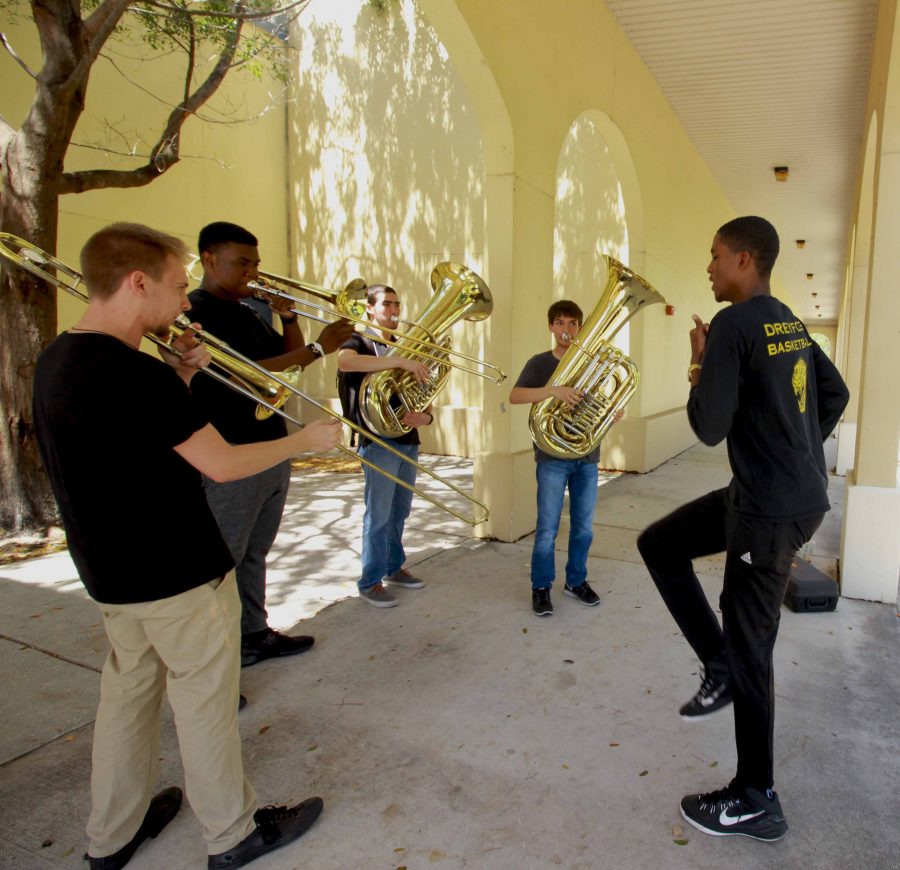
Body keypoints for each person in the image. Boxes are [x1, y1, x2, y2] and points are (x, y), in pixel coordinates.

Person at [32, 223, 342, 869]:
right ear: (137, 282)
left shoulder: (60, 357)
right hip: (177, 574)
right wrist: (304, 441)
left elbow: (128, 443)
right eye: (176, 288)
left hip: (113, 577)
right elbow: (222, 464)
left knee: (127, 701)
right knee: (203, 705)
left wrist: (179, 375)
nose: (182, 304)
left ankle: (110, 836)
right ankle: (233, 835)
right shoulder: (131, 371)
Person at [636, 216, 849, 842]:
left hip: (769, 510)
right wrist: (796, 450)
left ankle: (756, 796)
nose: (708, 267)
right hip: (772, 495)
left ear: (744, 259)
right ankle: (718, 664)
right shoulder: (787, 319)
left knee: (753, 647)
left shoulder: (731, 325)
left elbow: (707, 425)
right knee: (661, 543)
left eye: (715, 256)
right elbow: (833, 393)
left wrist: (700, 365)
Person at [188, 222, 353, 667]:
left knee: (255, 552)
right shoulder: (196, 312)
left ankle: (254, 634)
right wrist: (319, 349)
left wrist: (290, 319)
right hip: (231, 454)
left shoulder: (246, 310)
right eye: (243, 262)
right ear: (208, 259)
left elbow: (286, 370)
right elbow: (252, 373)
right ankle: (214, 665)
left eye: (256, 263)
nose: (253, 271)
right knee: (223, 563)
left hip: (272, 448)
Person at [510, 300, 618, 617]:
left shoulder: (590, 365)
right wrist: (553, 390)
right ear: (551, 327)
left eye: (572, 324)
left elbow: (600, 402)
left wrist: (611, 412)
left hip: (586, 456)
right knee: (547, 529)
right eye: (560, 323)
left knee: (584, 528)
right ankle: (541, 587)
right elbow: (515, 396)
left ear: (580, 328)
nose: (566, 329)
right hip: (552, 457)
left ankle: (575, 582)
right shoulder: (539, 363)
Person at [337, 284, 434, 607]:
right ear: (370, 309)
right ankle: (369, 580)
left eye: (397, 304)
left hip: (407, 439)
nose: (394, 311)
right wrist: (401, 363)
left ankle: (393, 566)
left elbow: (424, 392)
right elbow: (345, 363)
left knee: (400, 510)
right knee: (378, 514)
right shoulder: (359, 341)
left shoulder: (405, 346)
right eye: (386, 305)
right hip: (377, 440)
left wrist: (427, 416)